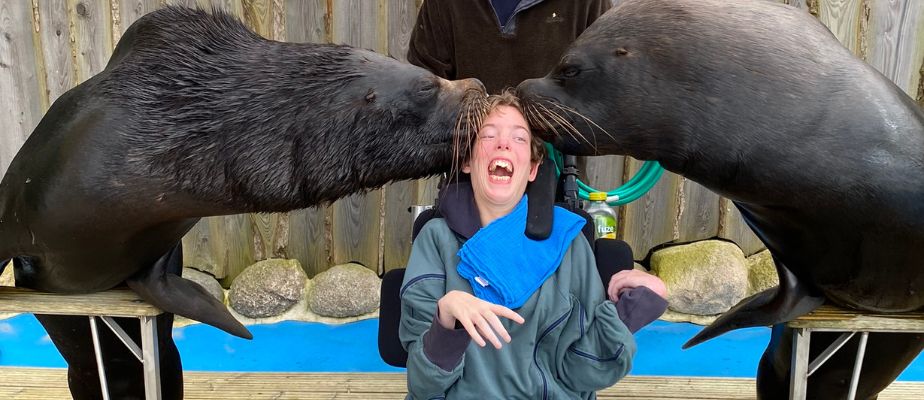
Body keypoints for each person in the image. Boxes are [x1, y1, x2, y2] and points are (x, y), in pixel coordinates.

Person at [399, 92, 668, 399]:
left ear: (532, 168)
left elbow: (584, 371)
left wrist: (634, 308)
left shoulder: (567, 241)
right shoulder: (436, 239)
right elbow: (423, 385)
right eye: (488, 135)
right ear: (467, 161)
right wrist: (446, 323)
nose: (503, 144)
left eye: (519, 138)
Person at [407, 0, 612, 94]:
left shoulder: (587, 3)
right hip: (467, 158)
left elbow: (602, 85)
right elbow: (423, 89)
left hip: (555, 161)